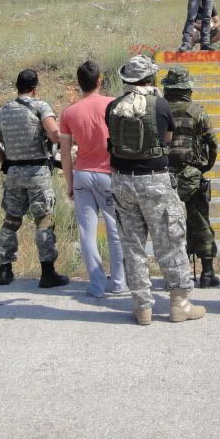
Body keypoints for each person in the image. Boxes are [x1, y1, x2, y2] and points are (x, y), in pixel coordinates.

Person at [106, 55, 204, 325]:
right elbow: (168, 139)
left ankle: (142, 308)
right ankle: (179, 304)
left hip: (122, 182)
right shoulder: (160, 104)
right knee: (170, 243)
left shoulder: (113, 106)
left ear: (126, 79)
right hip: (154, 181)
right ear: (150, 78)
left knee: (133, 247)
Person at [0, 69, 69, 289]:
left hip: (14, 173)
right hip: (37, 174)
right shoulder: (40, 107)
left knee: (11, 220)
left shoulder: (2, 111)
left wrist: (7, 162)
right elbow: (54, 134)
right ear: (35, 88)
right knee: (44, 221)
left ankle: (5, 269)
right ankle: (47, 272)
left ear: (17, 86)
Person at [58, 60, 127, 299]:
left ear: (79, 83)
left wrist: (69, 183)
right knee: (114, 228)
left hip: (82, 174)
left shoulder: (68, 113)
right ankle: (118, 282)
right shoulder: (113, 104)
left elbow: (64, 153)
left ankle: (96, 285)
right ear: (99, 81)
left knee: (87, 231)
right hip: (109, 173)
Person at [161, 66, 220, 286]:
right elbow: (212, 143)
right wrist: (204, 167)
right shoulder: (197, 112)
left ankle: (174, 275)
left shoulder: (160, 111)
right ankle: (207, 273)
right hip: (192, 175)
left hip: (164, 176)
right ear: (187, 89)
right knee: (201, 222)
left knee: (169, 225)